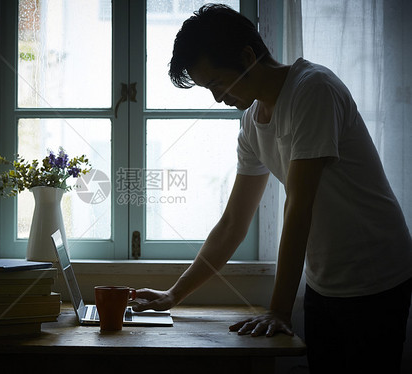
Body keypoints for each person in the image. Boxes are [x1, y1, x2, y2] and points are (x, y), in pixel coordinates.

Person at [132, 4, 412, 373]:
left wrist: (279, 309)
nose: (217, 98)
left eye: (217, 83)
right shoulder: (252, 122)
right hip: (324, 281)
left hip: (376, 276)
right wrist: (173, 295)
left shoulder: (313, 90)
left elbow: (299, 204)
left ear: (248, 56)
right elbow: (234, 222)